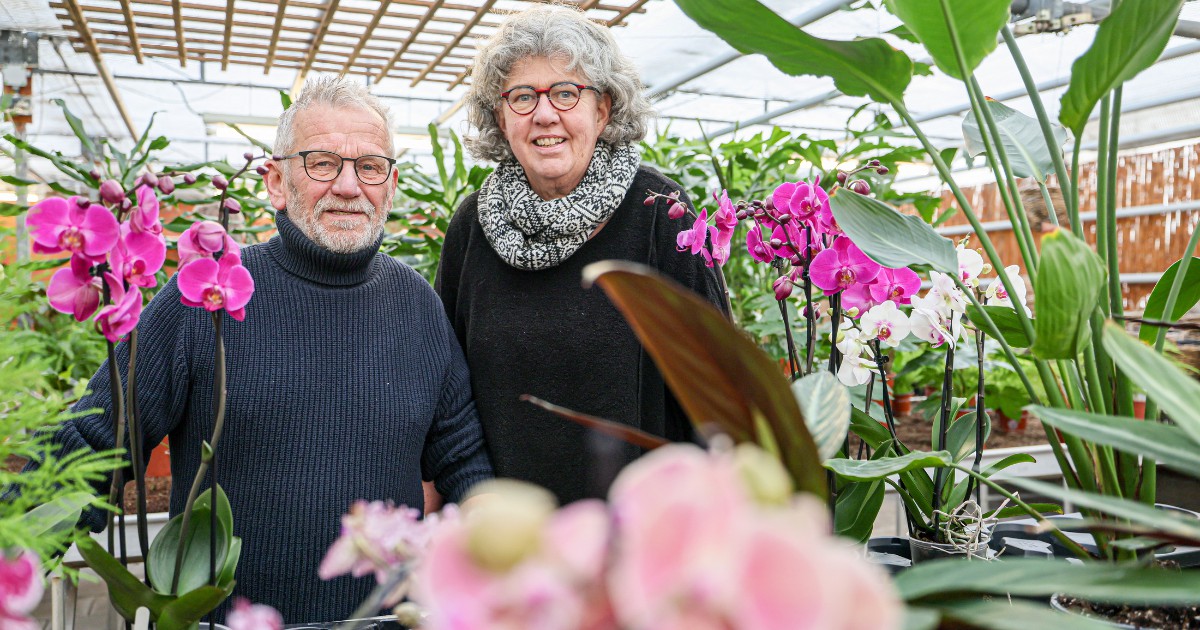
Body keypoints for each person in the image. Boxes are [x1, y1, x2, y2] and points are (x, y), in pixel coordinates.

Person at [32, 76, 493, 624]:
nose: (349, 186)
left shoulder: (416, 304)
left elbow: (462, 456)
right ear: (276, 181)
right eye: (322, 163)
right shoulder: (207, 294)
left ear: (390, 185)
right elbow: (94, 442)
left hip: (380, 621)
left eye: (369, 167)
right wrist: (21, 537)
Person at [435, 5, 728, 506]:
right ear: (501, 117)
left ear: (603, 109)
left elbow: (716, 381)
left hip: (638, 534)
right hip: (509, 530)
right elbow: (446, 388)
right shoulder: (472, 225)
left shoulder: (660, 213)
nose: (544, 114)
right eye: (523, 97)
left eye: (566, 93)